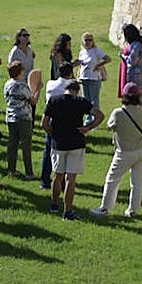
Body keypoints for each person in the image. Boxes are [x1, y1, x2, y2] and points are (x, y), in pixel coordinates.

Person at [42, 78, 103, 220]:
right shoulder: (81, 102)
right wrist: (88, 127)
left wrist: (54, 133)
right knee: (70, 179)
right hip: (76, 142)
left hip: (58, 144)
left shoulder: (54, 100)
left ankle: (54, 204)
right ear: (77, 91)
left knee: (57, 177)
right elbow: (99, 116)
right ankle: (68, 211)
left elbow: (44, 124)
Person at [89, 83, 142, 218]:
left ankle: (104, 208)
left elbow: (110, 126)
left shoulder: (118, 112)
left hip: (125, 152)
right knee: (137, 183)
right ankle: (133, 210)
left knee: (112, 179)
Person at [38, 61, 75, 189]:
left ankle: (44, 179)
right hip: (66, 121)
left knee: (48, 150)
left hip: (51, 119)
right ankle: (63, 180)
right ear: (70, 73)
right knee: (65, 151)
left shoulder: (50, 84)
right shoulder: (71, 87)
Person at [3, 60, 37, 179]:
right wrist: (38, 90)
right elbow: (33, 100)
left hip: (11, 117)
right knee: (26, 145)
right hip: (23, 117)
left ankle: (11, 169)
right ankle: (29, 172)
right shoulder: (22, 85)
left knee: (12, 144)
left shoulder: (8, 84)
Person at [77, 32, 111, 111]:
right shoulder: (82, 52)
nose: (88, 42)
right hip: (84, 78)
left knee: (94, 101)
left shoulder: (96, 50)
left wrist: (98, 65)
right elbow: (81, 65)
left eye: (90, 40)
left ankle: (96, 119)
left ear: (93, 41)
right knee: (86, 100)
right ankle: (89, 119)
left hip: (94, 78)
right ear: (83, 41)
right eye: (86, 40)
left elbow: (108, 59)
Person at [119, 23, 142, 103]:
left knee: (134, 95)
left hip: (135, 75)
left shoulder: (136, 45)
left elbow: (132, 60)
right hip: (139, 74)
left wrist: (123, 56)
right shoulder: (138, 44)